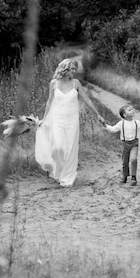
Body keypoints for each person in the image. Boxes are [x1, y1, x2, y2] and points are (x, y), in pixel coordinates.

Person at [35, 59, 105, 187]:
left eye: (74, 69)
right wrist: (44, 119)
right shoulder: (54, 83)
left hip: (72, 121)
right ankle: (58, 170)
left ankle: (67, 176)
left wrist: (98, 114)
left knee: (70, 149)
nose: (73, 71)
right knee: (57, 148)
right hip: (57, 120)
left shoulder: (76, 83)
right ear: (64, 68)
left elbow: (87, 100)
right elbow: (49, 102)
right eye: (71, 69)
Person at [104, 104, 140, 186]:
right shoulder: (121, 123)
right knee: (125, 162)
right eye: (130, 110)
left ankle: (133, 177)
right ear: (125, 115)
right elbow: (113, 129)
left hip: (134, 144)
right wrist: (105, 125)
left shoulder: (136, 122)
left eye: (132, 109)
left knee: (133, 160)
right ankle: (125, 176)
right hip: (125, 144)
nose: (133, 110)